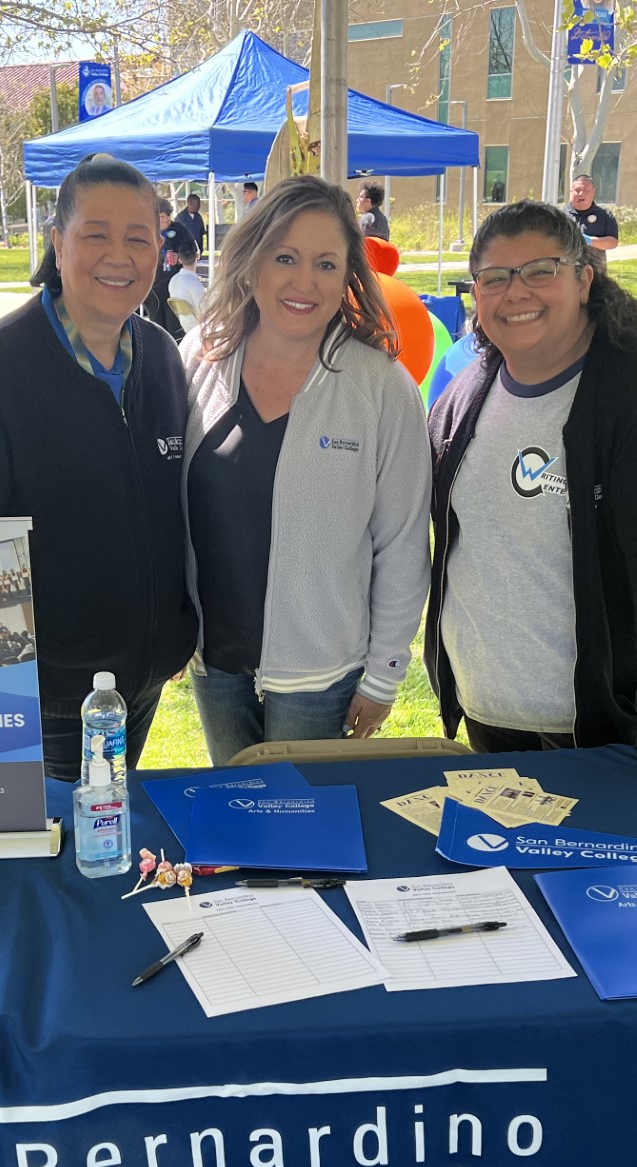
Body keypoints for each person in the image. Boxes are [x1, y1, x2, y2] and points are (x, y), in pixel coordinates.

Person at [424, 199, 637, 766]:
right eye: (495, 278)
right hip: (487, 713)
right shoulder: (465, 395)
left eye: (541, 271)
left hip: (599, 728)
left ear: (583, 279)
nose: (516, 292)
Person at [0, 153, 197, 782]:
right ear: (57, 242)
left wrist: (173, 630)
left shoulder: (163, 357)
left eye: (138, 238)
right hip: (49, 698)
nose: (119, 256)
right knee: (58, 839)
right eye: (95, 234)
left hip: (142, 681)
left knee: (112, 820)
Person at [179, 175, 429, 766]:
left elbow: (402, 541)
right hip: (215, 664)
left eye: (326, 264)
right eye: (285, 257)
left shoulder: (381, 387)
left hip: (321, 676)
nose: (304, 282)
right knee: (236, 812)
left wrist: (384, 673)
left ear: (348, 276)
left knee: (310, 822)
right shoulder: (198, 360)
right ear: (252, 262)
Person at [563, 175, 620, 253]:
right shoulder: (559, 216)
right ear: (571, 191)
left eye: (586, 190)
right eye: (577, 190)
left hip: (594, 261)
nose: (581, 194)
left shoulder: (605, 215)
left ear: (593, 192)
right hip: (566, 260)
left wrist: (589, 240)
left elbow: (613, 242)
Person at [166, 232, 205, 326]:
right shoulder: (195, 284)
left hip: (184, 325)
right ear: (197, 256)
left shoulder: (173, 281)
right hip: (198, 328)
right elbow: (205, 312)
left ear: (180, 260)